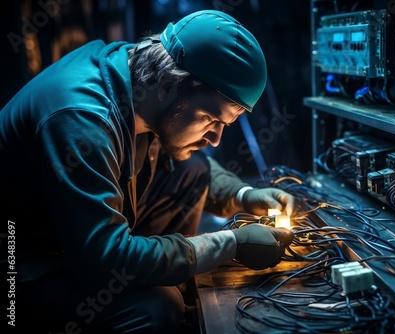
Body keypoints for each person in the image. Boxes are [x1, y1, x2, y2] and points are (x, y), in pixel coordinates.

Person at [0, 9, 296, 333]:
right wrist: (230, 244)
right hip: (22, 265)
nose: (215, 139)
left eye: (225, 125)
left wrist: (243, 195)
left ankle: (169, 277)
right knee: (157, 307)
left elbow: (197, 168)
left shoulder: (139, 72)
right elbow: (104, 260)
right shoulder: (82, 120)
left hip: (70, 234)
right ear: (169, 83)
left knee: (191, 166)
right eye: (212, 119)